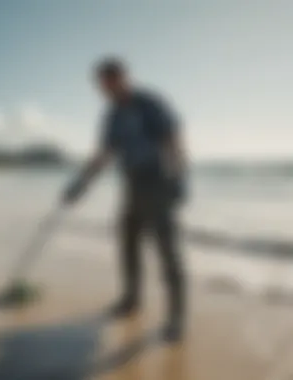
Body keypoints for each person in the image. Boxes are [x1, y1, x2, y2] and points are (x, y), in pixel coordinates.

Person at [62, 58, 187, 342]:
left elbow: (173, 137)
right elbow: (104, 154)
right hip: (131, 185)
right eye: (101, 86)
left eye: (109, 83)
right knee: (127, 245)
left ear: (123, 78)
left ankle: (176, 318)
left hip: (157, 181)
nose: (105, 90)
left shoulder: (149, 102)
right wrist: (80, 184)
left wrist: (179, 177)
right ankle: (131, 300)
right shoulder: (111, 116)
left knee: (168, 253)